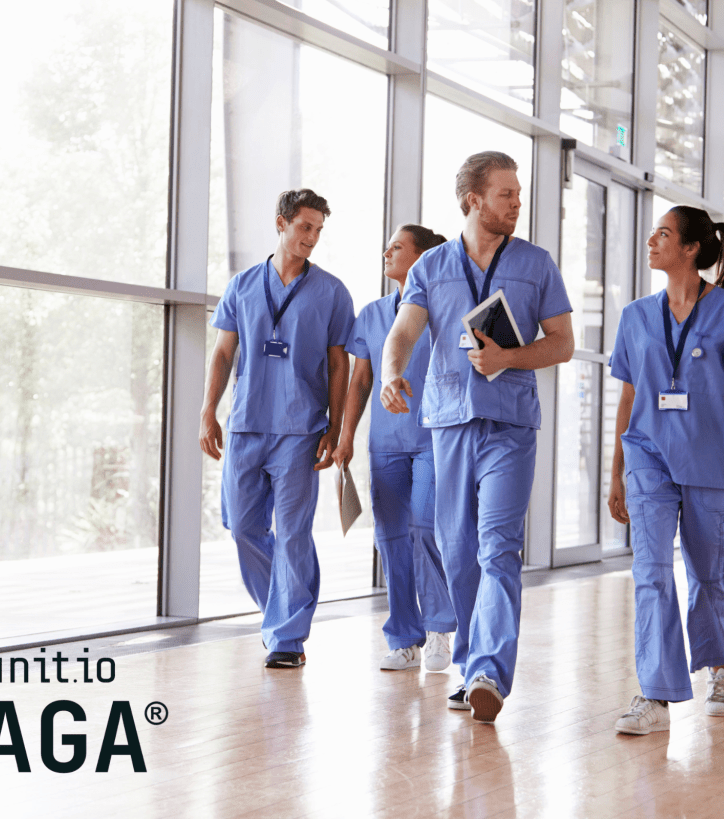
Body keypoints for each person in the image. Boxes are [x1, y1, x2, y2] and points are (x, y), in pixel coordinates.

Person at [380, 152, 575, 723]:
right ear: (473, 200)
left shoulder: (537, 265)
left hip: (510, 424)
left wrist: (509, 357)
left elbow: (561, 342)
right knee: (459, 550)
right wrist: (393, 373)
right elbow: (403, 333)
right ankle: (470, 665)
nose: (518, 203)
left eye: (518, 194)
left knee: (497, 546)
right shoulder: (431, 267)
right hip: (448, 423)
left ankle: (489, 668)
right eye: (506, 194)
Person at [607, 205, 724, 735]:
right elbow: (629, 393)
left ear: (691, 250)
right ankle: (655, 695)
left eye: (664, 233)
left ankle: (720, 668)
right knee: (651, 572)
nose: (652, 239)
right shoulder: (636, 316)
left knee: (711, 573)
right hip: (648, 458)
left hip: (709, 458)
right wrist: (615, 471)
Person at [199, 188, 354, 669]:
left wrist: (335, 424)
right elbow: (225, 352)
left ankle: (287, 637)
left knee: (292, 534)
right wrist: (208, 410)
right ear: (281, 224)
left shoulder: (331, 291)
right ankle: (278, 613)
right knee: (243, 527)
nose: (311, 238)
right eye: (305, 227)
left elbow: (338, 364)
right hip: (247, 425)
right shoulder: (243, 285)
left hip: (301, 428)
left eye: (318, 230)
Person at [332, 224, 457, 673]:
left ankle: (441, 627)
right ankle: (405, 637)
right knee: (390, 539)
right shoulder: (371, 314)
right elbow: (361, 380)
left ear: (424, 258)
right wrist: (345, 437)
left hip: (433, 438)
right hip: (384, 444)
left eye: (398, 247)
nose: (387, 251)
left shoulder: (444, 311)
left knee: (424, 527)